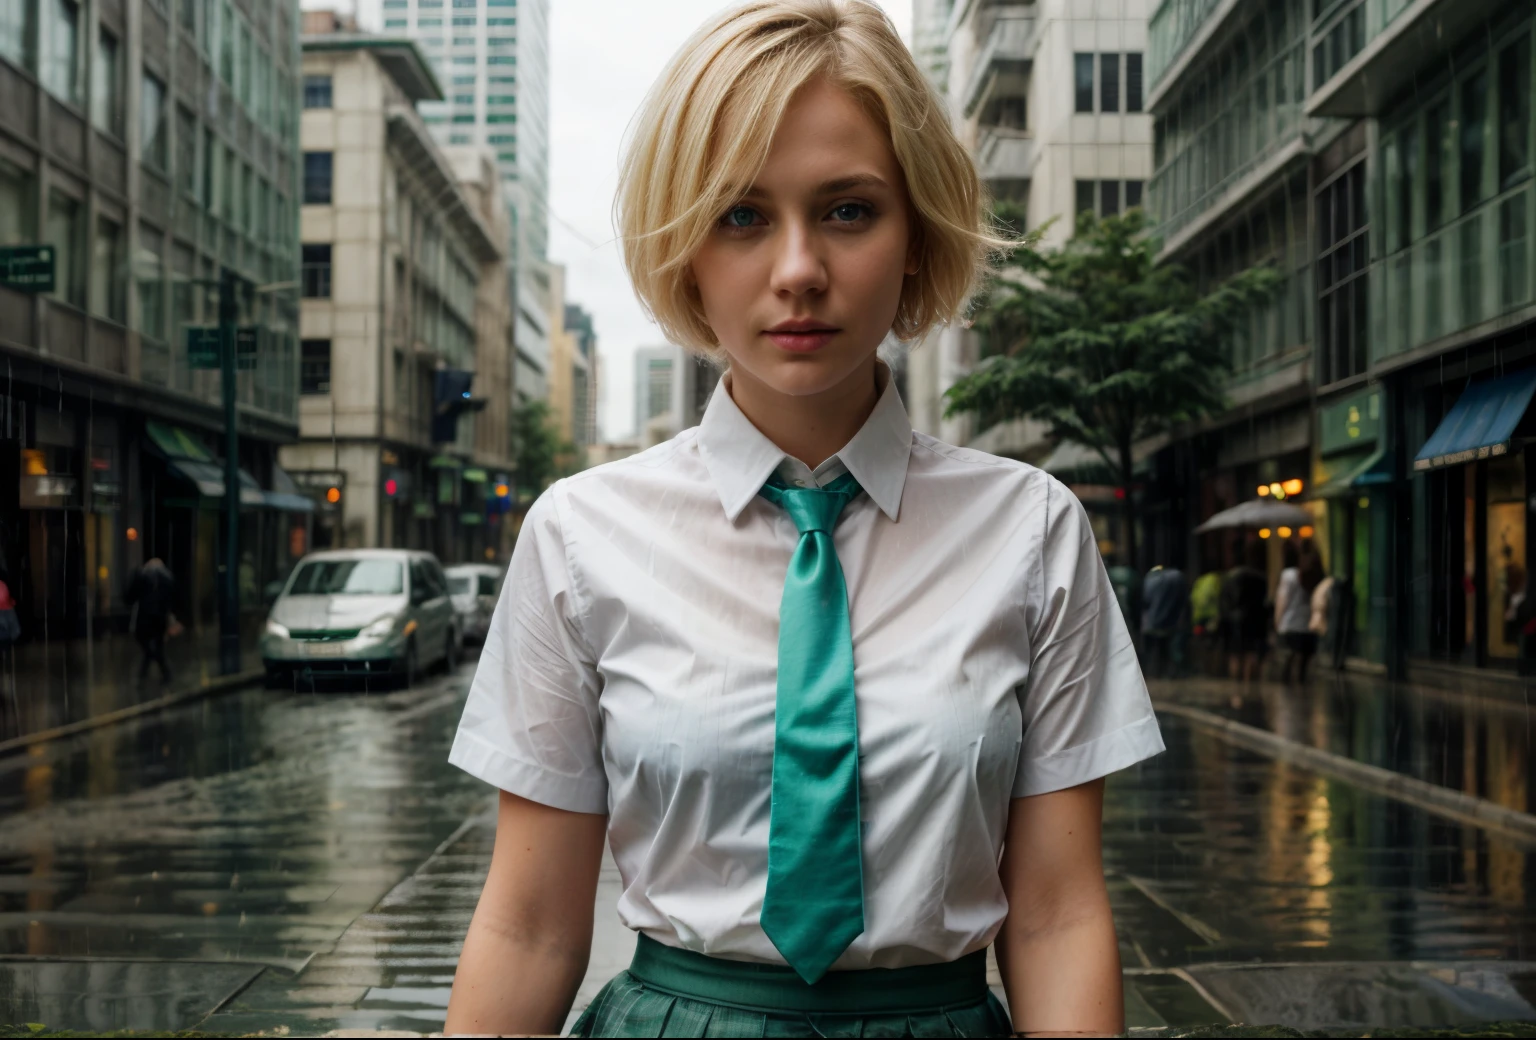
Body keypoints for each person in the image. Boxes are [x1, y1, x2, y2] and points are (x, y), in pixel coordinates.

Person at [442, 4, 1164, 1037]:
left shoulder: (1033, 529)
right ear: (685, 249)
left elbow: (1054, 915)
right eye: (741, 215)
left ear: (916, 236)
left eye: (849, 210)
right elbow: (530, 924)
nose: (796, 271)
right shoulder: (578, 534)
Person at [1220, 539, 1270, 681]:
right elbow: (1263, 602)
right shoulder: (1260, 578)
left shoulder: (1229, 578)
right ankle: (1248, 686)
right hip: (1254, 620)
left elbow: (1224, 602)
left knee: (1235, 654)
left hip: (1234, 620)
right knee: (1251, 653)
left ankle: (1236, 686)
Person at [1274, 541, 1323, 684]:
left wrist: (1278, 621)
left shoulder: (1289, 575)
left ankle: (1288, 685)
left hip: (1291, 622)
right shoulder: (1316, 574)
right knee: (1304, 659)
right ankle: (1300, 683)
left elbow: (1282, 600)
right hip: (1308, 623)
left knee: (1290, 656)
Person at [126, 558, 176, 687]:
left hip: (145, 617)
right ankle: (159, 672)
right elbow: (170, 600)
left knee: (146, 642)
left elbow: (130, 596)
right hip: (159, 617)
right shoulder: (167, 578)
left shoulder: (144, 576)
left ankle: (158, 671)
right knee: (157, 646)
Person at [1141, 564, 1189, 679]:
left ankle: (1155, 672)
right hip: (1170, 622)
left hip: (1152, 623)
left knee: (1155, 649)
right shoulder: (1176, 577)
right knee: (1167, 649)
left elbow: (1145, 600)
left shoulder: (1151, 580)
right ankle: (1168, 672)